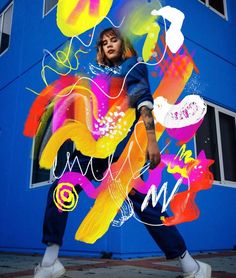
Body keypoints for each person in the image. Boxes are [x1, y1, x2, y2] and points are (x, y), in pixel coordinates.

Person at [34, 28, 212, 278]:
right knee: (61, 188)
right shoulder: (106, 75)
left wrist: (151, 141)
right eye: (104, 42)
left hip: (120, 155)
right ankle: (50, 261)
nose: (108, 45)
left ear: (123, 43)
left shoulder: (132, 66)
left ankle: (191, 266)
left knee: (146, 207)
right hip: (92, 153)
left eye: (113, 39)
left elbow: (144, 105)